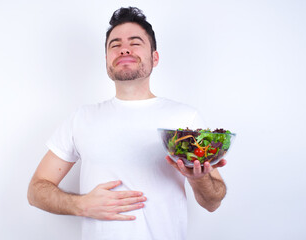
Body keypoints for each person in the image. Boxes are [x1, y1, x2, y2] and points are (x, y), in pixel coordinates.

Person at [28, 6, 227, 240]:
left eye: (135, 42)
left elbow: (213, 202)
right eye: (115, 44)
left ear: (155, 57)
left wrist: (199, 178)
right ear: (107, 60)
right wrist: (81, 205)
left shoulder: (185, 119)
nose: (124, 49)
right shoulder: (81, 118)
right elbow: (36, 190)